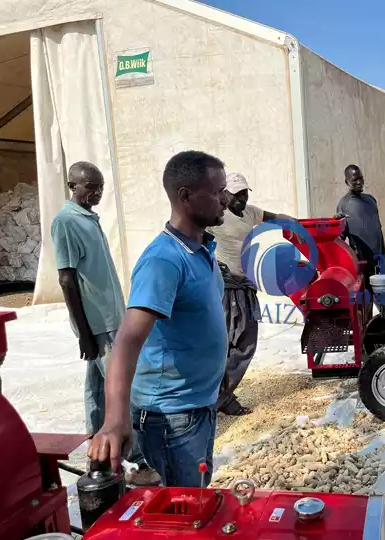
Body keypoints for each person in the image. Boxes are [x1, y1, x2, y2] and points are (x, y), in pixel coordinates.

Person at [88, 151, 229, 487]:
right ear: (185, 197)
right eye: (216, 192)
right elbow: (127, 341)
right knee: (181, 513)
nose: (225, 200)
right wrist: (114, 419)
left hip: (197, 407)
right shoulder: (164, 260)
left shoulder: (201, 251)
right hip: (171, 417)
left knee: (194, 500)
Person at [51, 162, 158, 485]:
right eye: (90, 187)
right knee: (122, 389)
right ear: (73, 185)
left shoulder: (87, 219)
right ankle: (139, 461)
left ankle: (99, 458)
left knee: (98, 390)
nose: (96, 193)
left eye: (99, 187)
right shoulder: (66, 222)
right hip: (97, 324)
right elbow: (67, 279)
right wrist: (84, 332)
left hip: (110, 318)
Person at [209, 172, 293, 416]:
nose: (242, 200)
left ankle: (220, 396)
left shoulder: (248, 212)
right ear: (226, 194)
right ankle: (216, 399)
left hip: (245, 286)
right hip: (226, 287)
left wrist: (300, 225)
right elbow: (196, 239)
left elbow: (274, 217)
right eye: (237, 195)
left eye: (245, 194)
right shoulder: (217, 216)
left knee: (245, 342)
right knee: (228, 343)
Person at [335, 164, 385, 290]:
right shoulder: (344, 205)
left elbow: (377, 229)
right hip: (363, 263)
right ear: (347, 182)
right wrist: (336, 223)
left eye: (361, 178)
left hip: (380, 260)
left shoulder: (371, 200)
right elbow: (340, 236)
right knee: (366, 300)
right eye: (354, 180)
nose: (359, 182)